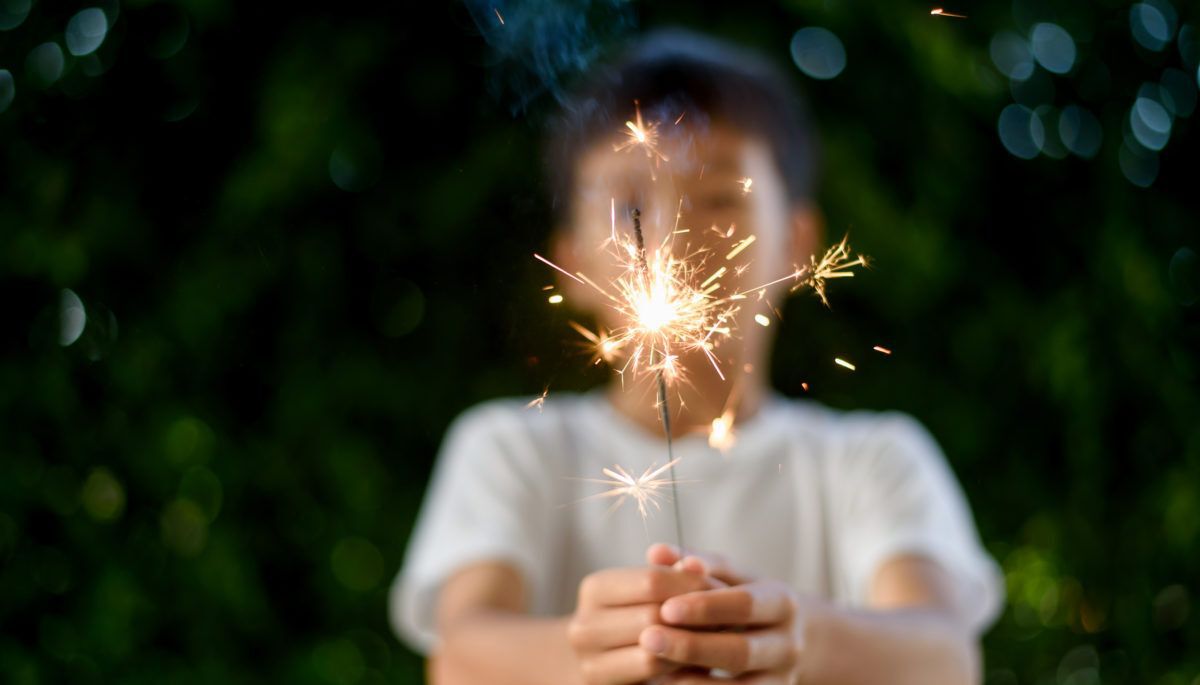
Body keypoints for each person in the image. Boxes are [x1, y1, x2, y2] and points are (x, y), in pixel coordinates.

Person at [390, 28, 1003, 684]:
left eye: (719, 200)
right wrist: (596, 648)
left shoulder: (873, 459)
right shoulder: (512, 446)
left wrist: (797, 636)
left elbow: (945, 655)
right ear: (569, 263)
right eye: (630, 207)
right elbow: (460, 655)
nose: (672, 237)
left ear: (798, 241)